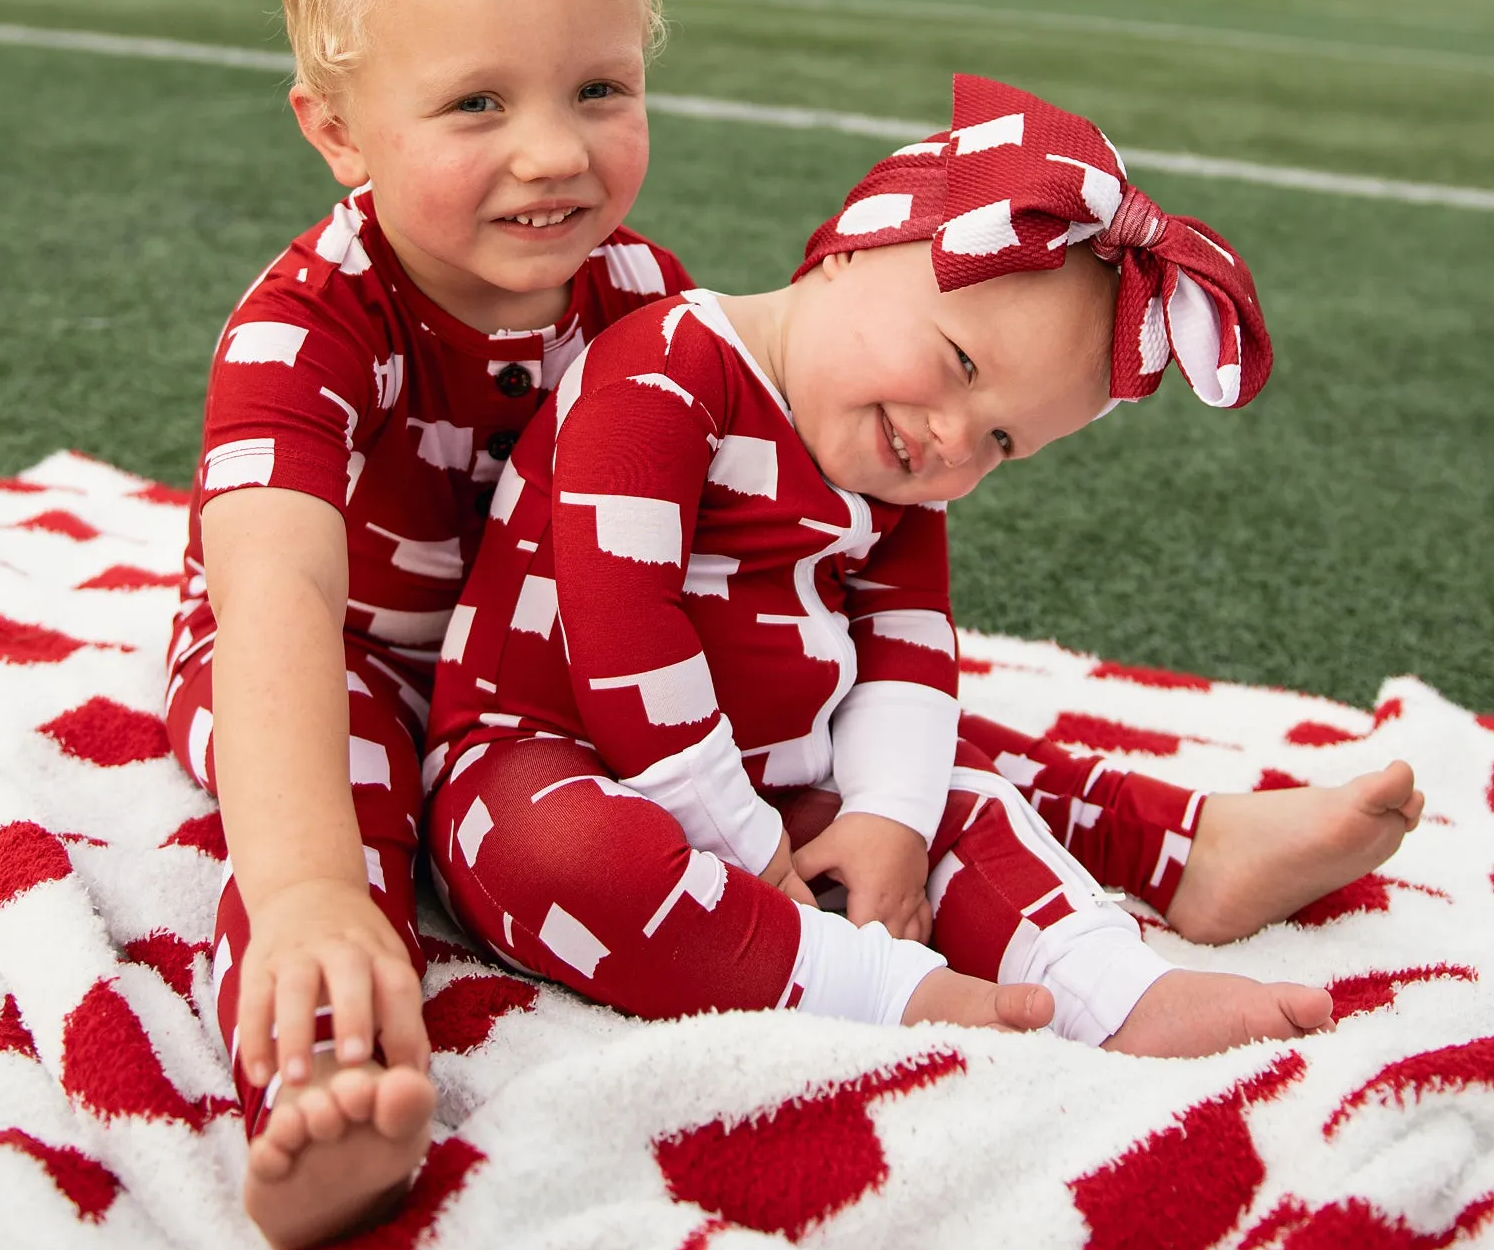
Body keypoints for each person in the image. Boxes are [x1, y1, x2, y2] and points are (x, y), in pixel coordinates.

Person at [423, 74, 1424, 1054]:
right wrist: (742, 836)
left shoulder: (893, 468)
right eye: (958, 363)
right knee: (563, 856)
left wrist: (886, 819)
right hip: (553, 749)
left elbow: (907, 655)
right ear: (850, 252)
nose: (952, 438)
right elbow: (622, 640)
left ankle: (1111, 985)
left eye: (1001, 441)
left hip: (775, 770)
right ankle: (880, 989)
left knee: (953, 791)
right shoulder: (664, 369)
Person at [161, 0, 692, 1250]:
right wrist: (314, 884)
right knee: (339, 815)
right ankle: (328, 1078)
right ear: (337, 132)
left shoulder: (644, 300)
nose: (552, 152)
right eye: (476, 106)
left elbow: (732, 526)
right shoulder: (311, 325)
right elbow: (270, 602)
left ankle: (1140, 853)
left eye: (599, 87)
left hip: (532, 664)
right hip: (343, 654)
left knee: (793, 699)